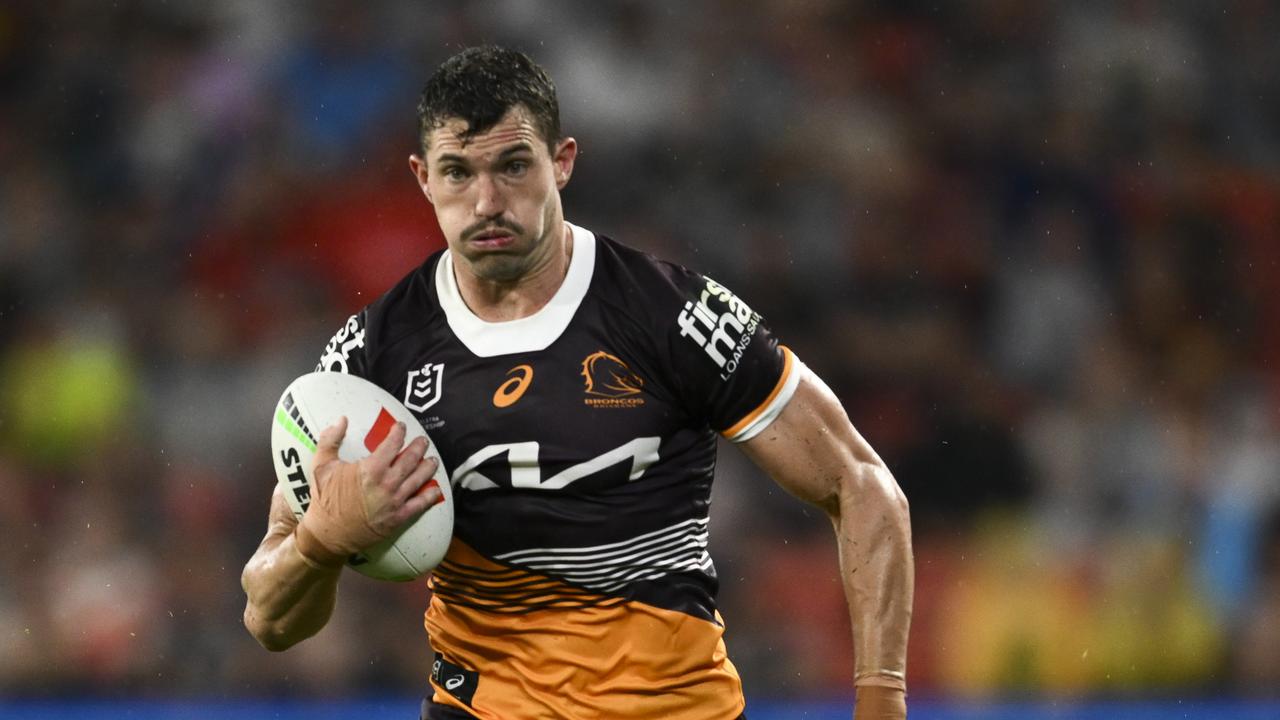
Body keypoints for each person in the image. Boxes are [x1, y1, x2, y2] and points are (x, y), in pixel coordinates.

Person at [241, 45, 913, 720]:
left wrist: (881, 700)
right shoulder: (370, 358)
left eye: (512, 166)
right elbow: (270, 621)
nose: (486, 202)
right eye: (457, 172)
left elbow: (861, 483)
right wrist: (317, 545)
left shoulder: (672, 316)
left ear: (561, 162)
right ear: (422, 177)